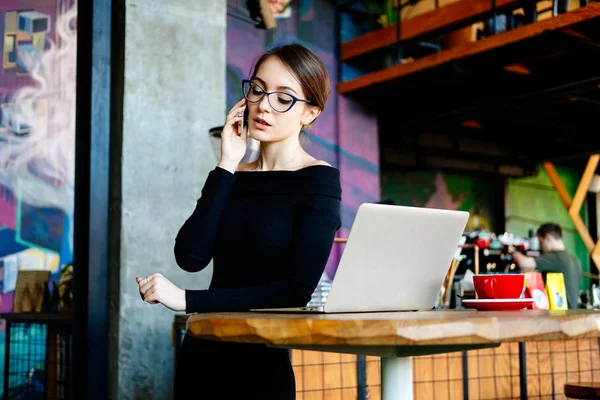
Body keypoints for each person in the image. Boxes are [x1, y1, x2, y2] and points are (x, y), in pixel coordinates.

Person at [136, 43, 342, 399]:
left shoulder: (318, 181)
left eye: (284, 98)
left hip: (260, 365)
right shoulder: (232, 175)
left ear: (310, 112)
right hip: (201, 356)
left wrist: (186, 300)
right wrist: (227, 165)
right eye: (258, 89)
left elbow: (295, 291)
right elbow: (190, 256)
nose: (263, 105)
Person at [509, 223, 582, 309]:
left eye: (540, 242)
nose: (540, 247)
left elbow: (524, 263)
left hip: (559, 315)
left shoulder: (556, 256)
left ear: (548, 238)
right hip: (574, 313)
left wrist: (512, 251)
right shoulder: (575, 260)